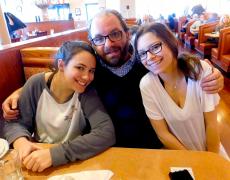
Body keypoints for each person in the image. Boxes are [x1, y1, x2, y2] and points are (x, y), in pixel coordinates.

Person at [2, 9, 224, 150]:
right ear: (91, 42)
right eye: (99, 38)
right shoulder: (91, 69)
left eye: (115, 34)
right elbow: (60, 75)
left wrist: (207, 69)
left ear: (127, 33)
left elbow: (173, 60)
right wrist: (20, 92)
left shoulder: (145, 61)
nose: (108, 44)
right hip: (109, 150)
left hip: (158, 148)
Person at [3, 41, 115, 172]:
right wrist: (20, 141)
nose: (87, 77)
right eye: (80, 68)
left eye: (91, 71)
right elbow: (14, 123)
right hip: (38, 156)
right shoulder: (35, 84)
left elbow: (106, 132)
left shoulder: (86, 91)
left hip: (75, 159)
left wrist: (55, 155)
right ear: (61, 64)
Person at [134, 23, 228, 159]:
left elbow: (212, 125)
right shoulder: (147, 85)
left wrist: (209, 161)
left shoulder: (200, 70)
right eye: (142, 53)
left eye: (155, 47)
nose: (149, 57)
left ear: (171, 42)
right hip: (178, 155)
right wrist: (191, 159)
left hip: (212, 153)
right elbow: (163, 134)